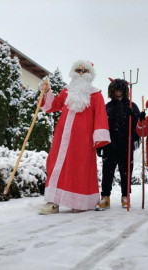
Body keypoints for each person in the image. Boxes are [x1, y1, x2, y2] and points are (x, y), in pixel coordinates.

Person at [38, 60, 110, 214]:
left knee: (78, 168)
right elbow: (52, 106)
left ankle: (79, 201)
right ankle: (53, 202)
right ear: (73, 72)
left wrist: (99, 137)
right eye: (78, 70)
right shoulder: (67, 91)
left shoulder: (96, 94)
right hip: (62, 136)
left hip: (83, 139)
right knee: (56, 164)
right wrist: (47, 92)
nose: (81, 73)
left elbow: (101, 116)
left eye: (85, 71)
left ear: (90, 74)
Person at [95, 78, 140, 210]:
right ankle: (105, 197)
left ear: (124, 91)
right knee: (107, 172)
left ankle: (125, 196)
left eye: (120, 89)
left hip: (126, 144)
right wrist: (100, 144)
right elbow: (101, 126)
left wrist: (136, 116)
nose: (118, 92)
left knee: (126, 172)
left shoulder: (132, 105)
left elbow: (139, 127)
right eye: (116, 89)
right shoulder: (107, 107)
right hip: (110, 145)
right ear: (112, 91)